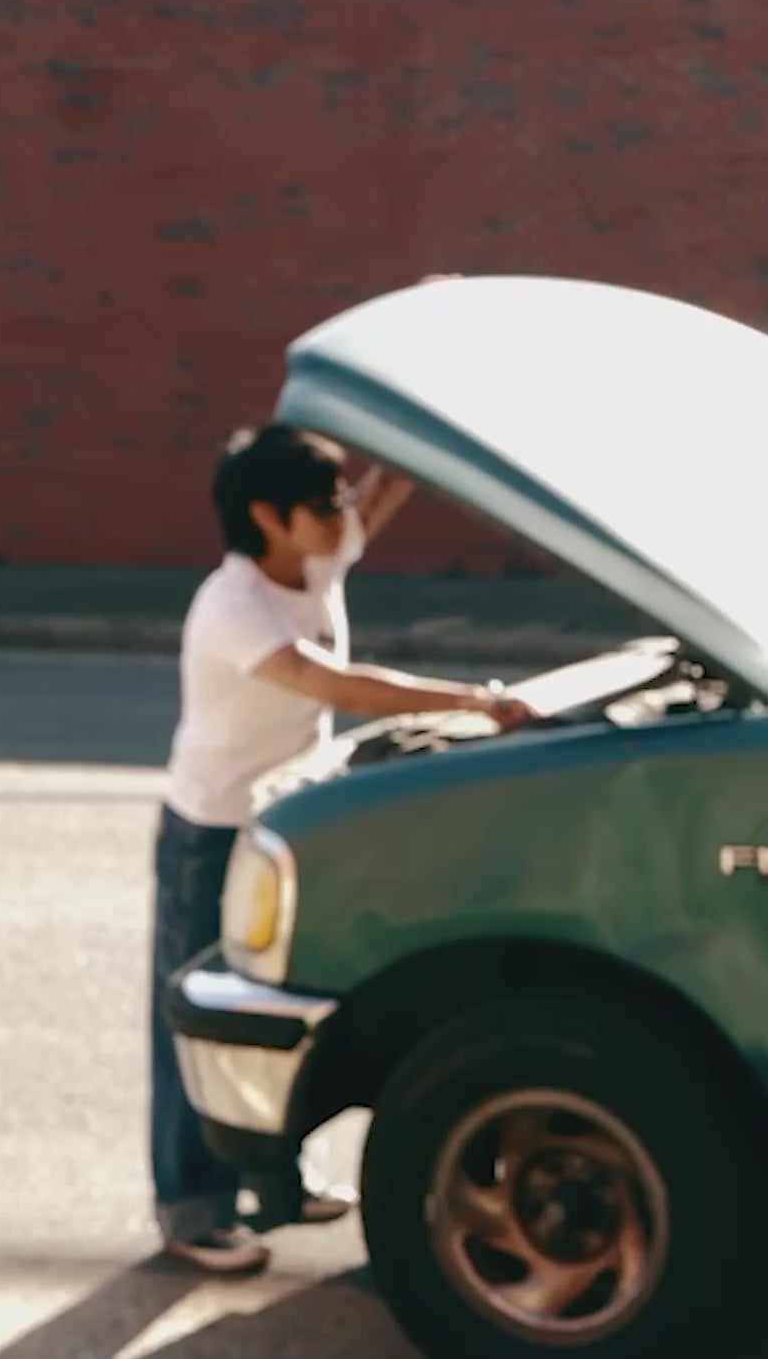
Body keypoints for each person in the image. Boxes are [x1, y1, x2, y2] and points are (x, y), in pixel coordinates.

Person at [156, 428, 531, 1275]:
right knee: (197, 1020)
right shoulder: (233, 607)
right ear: (266, 517)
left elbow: (387, 484)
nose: (345, 515)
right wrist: (472, 700)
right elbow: (334, 684)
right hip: (209, 834)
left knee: (274, 1011)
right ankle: (192, 1208)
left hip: (278, 825)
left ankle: (277, 1189)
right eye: (324, 505)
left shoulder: (314, 557)